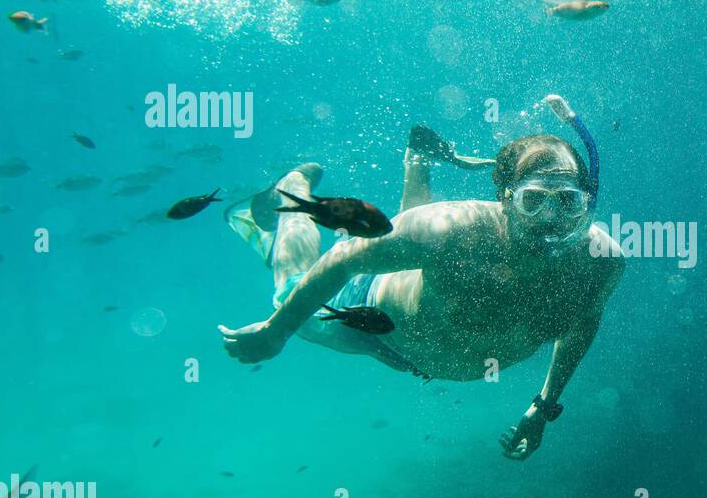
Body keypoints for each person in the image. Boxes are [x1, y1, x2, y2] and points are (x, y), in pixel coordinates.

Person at [219, 95, 623, 460]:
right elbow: (344, 258)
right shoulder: (448, 230)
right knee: (290, 288)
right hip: (371, 324)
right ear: (505, 200)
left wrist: (544, 405)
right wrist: (277, 330)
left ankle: (418, 159)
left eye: (569, 202)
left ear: (587, 204)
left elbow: (583, 324)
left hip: (417, 330)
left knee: (415, 246)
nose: (550, 222)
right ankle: (293, 192)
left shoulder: (600, 261)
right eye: (533, 201)